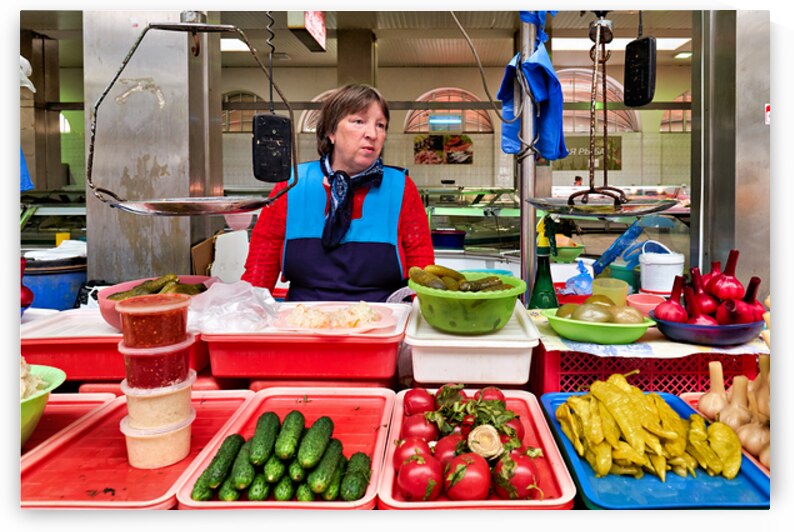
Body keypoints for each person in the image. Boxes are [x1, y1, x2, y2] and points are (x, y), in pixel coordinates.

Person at [242, 83, 435, 302]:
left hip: (385, 322)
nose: (372, 134)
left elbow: (422, 269)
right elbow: (260, 269)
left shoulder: (401, 188)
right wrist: (249, 314)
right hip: (303, 321)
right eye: (359, 121)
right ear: (330, 132)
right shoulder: (292, 186)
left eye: (380, 125)